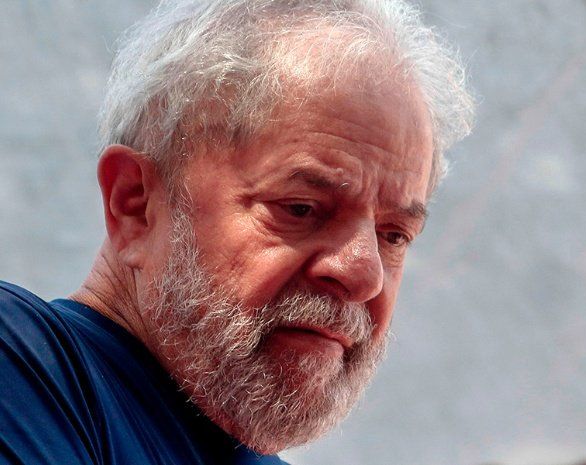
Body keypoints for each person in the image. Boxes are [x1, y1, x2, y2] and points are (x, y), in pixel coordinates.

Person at [0, 0, 474, 463]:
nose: (365, 275)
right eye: (301, 208)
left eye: (394, 235)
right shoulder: (26, 367)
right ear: (136, 204)